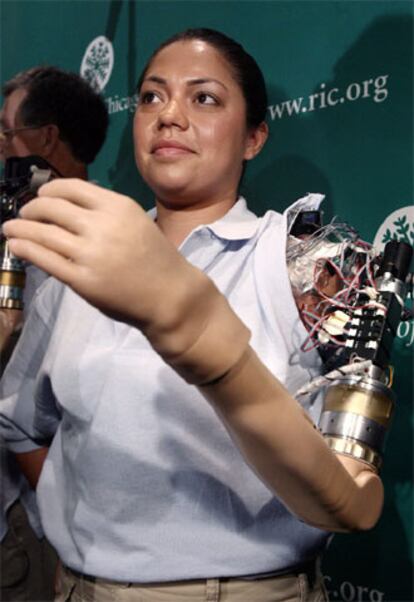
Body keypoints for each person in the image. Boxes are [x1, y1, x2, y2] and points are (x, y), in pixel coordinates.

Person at [0, 29, 383, 602]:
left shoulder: (308, 269)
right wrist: (85, 524)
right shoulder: (75, 271)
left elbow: (351, 498)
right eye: (152, 97)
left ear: (254, 136)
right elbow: (21, 421)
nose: (168, 116)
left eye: (203, 98)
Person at [0, 65, 109, 602]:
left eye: (5, 132)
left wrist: (65, 515)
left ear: (43, 140)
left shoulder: (119, 247)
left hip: (40, 531)